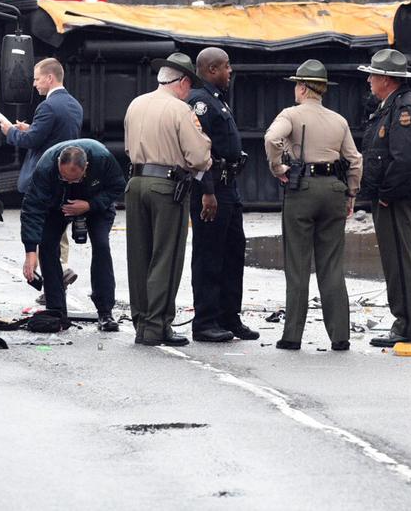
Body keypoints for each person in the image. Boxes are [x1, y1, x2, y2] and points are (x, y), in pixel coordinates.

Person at [263, 59, 363, 351]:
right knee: (331, 265)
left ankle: (293, 335)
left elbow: (271, 138)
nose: (295, 89)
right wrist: (351, 193)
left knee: (297, 264)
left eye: (297, 84)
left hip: (302, 188)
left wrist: (278, 167)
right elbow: (355, 160)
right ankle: (340, 335)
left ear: (304, 88)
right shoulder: (339, 120)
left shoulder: (290, 114)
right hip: (334, 189)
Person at [124, 52, 213, 347]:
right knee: (166, 257)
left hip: (135, 182)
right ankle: (156, 326)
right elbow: (199, 157)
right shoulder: (180, 110)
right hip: (167, 186)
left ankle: (141, 323)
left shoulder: (136, 104)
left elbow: (127, 147)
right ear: (183, 82)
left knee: (139, 257)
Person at [357, 49, 411, 348]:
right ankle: (405, 322)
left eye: (373, 75)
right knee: (396, 260)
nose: (369, 80)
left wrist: (387, 195)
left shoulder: (405, 111)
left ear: (387, 79)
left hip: (397, 199)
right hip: (394, 196)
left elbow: (404, 160)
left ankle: (408, 326)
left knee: (399, 261)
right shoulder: (393, 105)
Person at [187, 47, 257, 342]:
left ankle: (230, 316)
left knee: (232, 252)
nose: (231, 72)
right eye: (227, 67)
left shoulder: (216, 101)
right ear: (212, 70)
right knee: (209, 255)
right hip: (212, 188)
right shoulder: (199, 103)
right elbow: (199, 152)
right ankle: (205, 321)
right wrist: (208, 192)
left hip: (228, 186)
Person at [20, 139, 126, 331]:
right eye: (64, 178)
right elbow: (32, 207)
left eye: (74, 179)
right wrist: (30, 251)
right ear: (58, 163)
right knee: (47, 244)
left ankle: (105, 312)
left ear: (86, 167)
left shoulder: (102, 158)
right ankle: (56, 310)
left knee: (101, 245)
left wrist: (90, 205)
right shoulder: (46, 165)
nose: (69, 182)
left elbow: (118, 186)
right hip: (58, 205)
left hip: (95, 202)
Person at [1, 57, 82, 297]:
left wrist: (11, 132)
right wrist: (31, 128)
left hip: (44, 177)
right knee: (59, 229)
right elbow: (54, 136)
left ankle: (56, 276)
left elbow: (32, 142)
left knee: (44, 233)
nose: (34, 84)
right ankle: (59, 276)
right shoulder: (74, 105)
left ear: (49, 78)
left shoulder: (47, 106)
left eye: (37, 79)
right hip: (65, 178)